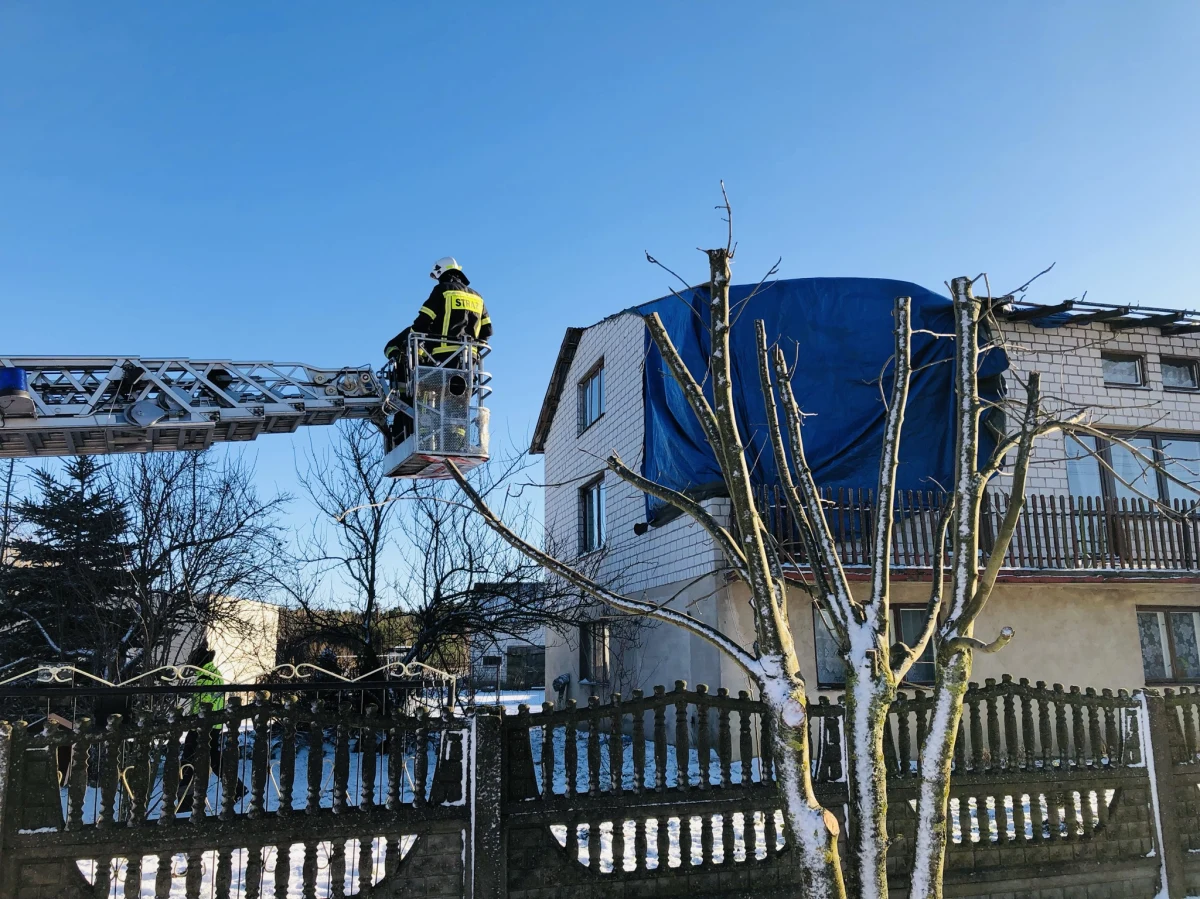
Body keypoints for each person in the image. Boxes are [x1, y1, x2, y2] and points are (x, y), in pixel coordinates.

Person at [383, 257, 492, 443]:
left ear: (441, 273)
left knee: (430, 396)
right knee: (457, 400)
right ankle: (457, 441)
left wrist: (416, 342)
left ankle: (427, 435)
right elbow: (487, 331)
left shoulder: (442, 290)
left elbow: (422, 322)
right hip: (468, 363)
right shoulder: (478, 297)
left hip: (442, 358)